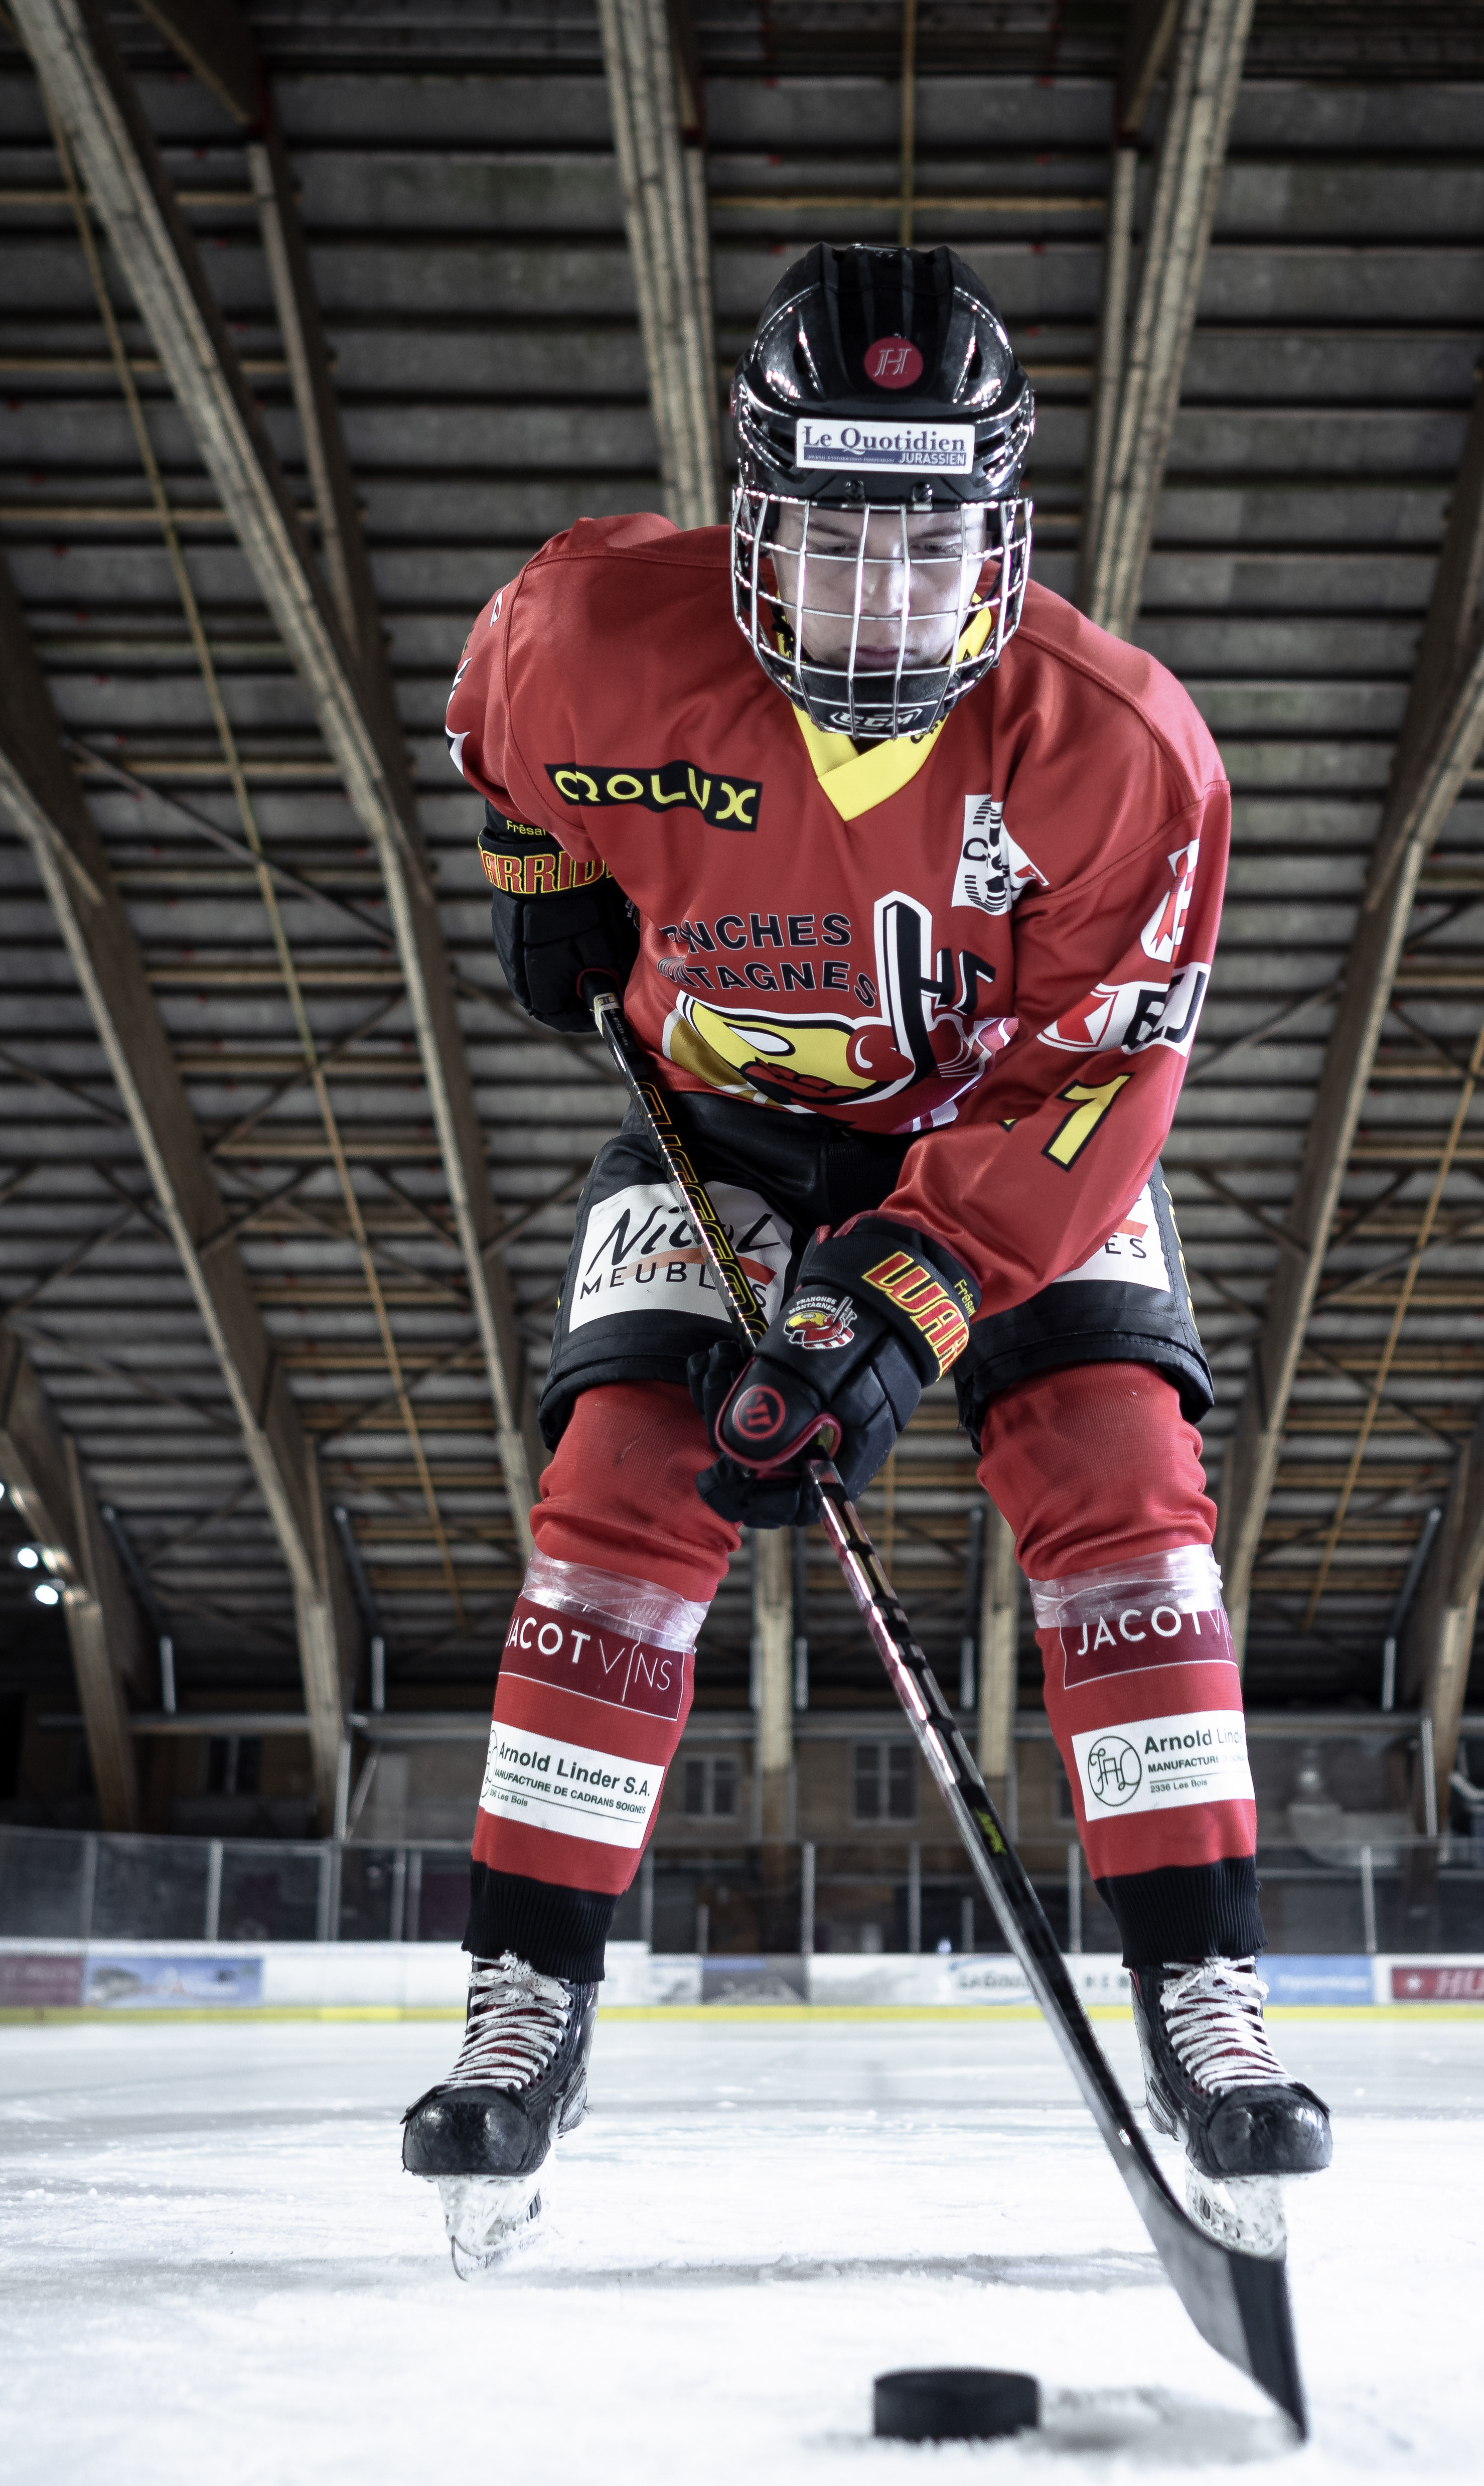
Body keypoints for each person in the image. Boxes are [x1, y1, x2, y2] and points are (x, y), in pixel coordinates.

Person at [401, 241, 1327, 2259]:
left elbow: (1099, 1083)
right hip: (723, 1128)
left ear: (1004, 544)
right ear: (749, 532)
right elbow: (494, 705)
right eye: (828, 545)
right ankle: (527, 2003)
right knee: (619, 1497)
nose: (883, 601)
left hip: (1009, 1144)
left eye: (931, 553)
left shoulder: (1127, 755)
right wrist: (537, 864)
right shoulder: (590, 634)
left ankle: (1202, 1988)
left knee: (1123, 1484)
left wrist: (902, 1303)